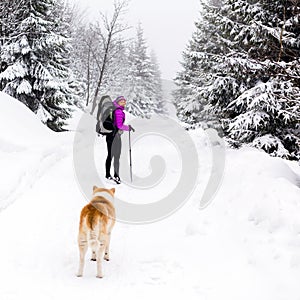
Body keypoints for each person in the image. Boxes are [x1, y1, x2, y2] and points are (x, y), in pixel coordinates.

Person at [105, 96, 134, 184]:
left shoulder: (115, 110)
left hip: (111, 136)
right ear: (118, 102)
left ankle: (109, 174)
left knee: (111, 155)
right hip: (114, 136)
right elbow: (119, 125)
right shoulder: (118, 111)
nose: (124, 103)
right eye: (122, 102)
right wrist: (128, 128)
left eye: (124, 102)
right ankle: (115, 175)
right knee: (115, 156)